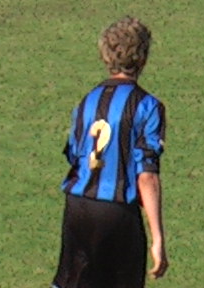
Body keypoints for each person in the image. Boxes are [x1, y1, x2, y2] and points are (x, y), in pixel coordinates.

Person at [51, 16, 167, 287]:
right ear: (143, 58)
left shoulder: (87, 101)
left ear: (106, 56)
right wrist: (158, 237)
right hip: (117, 213)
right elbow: (147, 176)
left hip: (78, 206)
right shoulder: (147, 106)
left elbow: (75, 155)